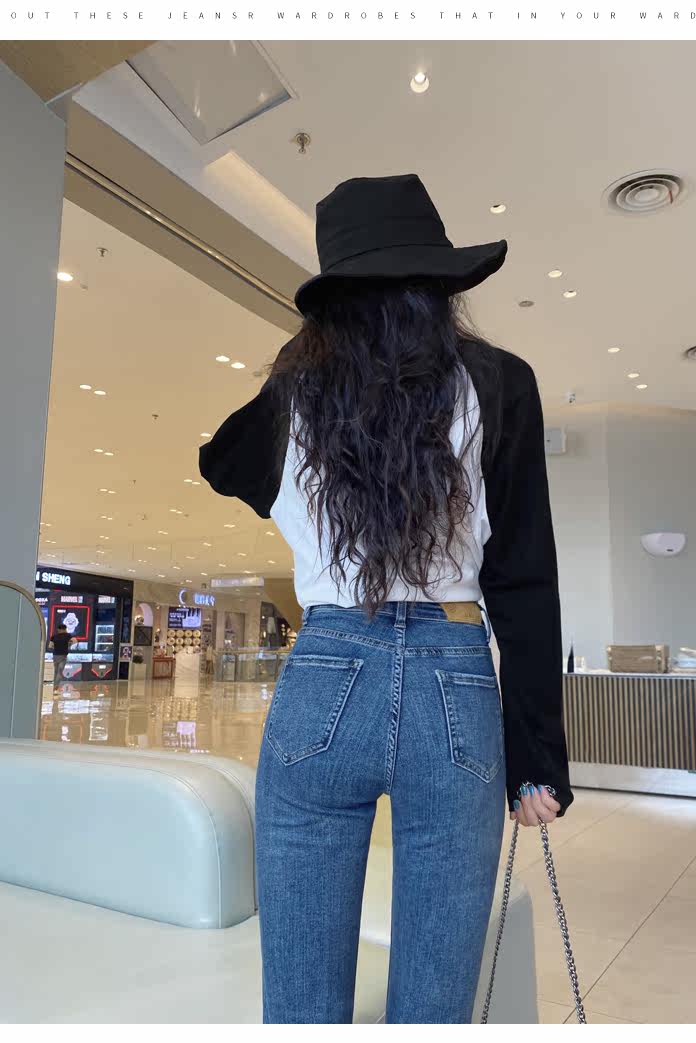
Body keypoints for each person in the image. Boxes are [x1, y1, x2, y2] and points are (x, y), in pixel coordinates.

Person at [200, 174, 573, 1024]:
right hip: (455, 684)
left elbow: (221, 461)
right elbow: (525, 579)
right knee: (434, 1013)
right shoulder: (500, 382)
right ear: (439, 283)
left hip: (325, 677)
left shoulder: (294, 394)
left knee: (301, 1009)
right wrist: (537, 758)